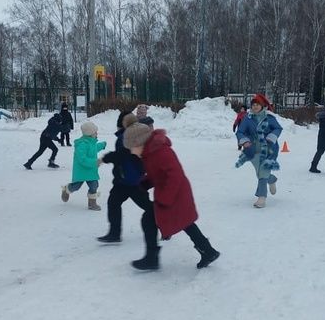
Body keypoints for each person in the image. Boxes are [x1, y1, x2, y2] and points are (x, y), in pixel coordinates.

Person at [122, 123, 220, 271]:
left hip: (174, 193)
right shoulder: (150, 152)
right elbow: (159, 174)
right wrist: (144, 183)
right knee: (184, 222)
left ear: (139, 142)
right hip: (171, 192)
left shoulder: (160, 152)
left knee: (151, 220)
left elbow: (175, 175)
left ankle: (151, 258)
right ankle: (208, 251)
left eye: (131, 147)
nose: (131, 151)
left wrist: (165, 199)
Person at [96, 111, 155, 247]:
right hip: (126, 180)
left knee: (147, 206)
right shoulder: (132, 135)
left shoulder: (127, 136)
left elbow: (121, 155)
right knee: (114, 202)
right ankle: (114, 233)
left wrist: (103, 159)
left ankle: (165, 224)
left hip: (131, 180)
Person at [235, 93, 282, 208]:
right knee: (260, 172)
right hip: (253, 149)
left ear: (262, 106)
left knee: (263, 171)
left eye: (257, 104)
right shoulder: (247, 118)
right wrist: (245, 141)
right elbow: (240, 131)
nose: (255, 107)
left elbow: (278, 128)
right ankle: (272, 180)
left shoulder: (269, 117)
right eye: (253, 105)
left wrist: (271, 137)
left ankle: (262, 197)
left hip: (269, 149)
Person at [61, 121, 106, 210]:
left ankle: (92, 203)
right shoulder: (82, 145)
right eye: (95, 132)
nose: (97, 133)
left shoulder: (91, 142)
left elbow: (94, 149)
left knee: (94, 185)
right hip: (81, 170)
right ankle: (67, 189)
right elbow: (82, 159)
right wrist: (95, 162)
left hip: (91, 171)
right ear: (90, 134)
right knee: (76, 186)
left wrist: (102, 145)